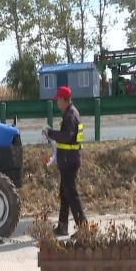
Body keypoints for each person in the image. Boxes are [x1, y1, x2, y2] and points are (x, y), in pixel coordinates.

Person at [42, 86, 87, 237]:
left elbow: (67, 135)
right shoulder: (71, 113)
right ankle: (62, 227)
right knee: (65, 194)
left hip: (69, 161)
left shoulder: (70, 116)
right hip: (69, 159)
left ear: (63, 100)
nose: (57, 103)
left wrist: (50, 133)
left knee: (71, 194)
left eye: (58, 100)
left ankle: (84, 228)